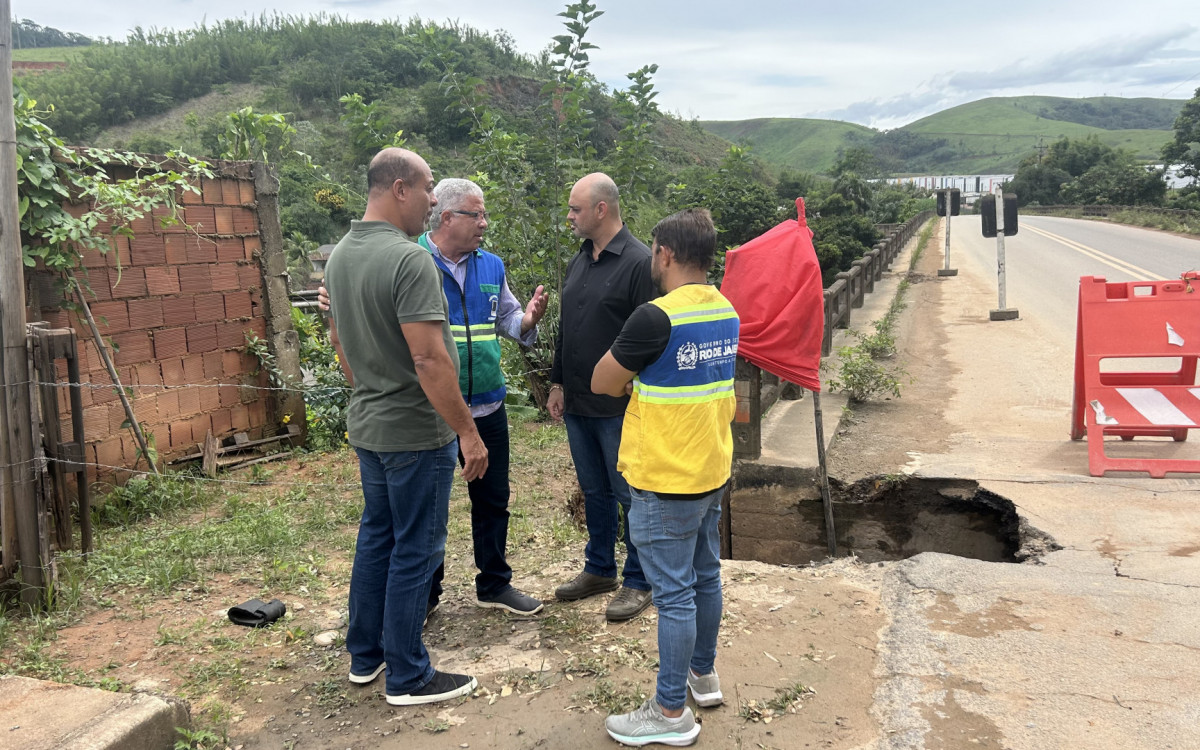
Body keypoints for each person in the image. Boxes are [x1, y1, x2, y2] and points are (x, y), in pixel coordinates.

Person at [320, 178, 550, 616]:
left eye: (484, 215)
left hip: (487, 404)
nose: (484, 223)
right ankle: (424, 596)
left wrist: (527, 321)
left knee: (493, 499)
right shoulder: (408, 262)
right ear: (447, 217)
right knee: (427, 514)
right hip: (433, 410)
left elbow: (507, 317)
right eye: (476, 214)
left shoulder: (491, 265)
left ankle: (494, 584)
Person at [325, 148, 485, 706]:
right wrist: (467, 431)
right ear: (399, 189)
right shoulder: (409, 260)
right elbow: (430, 359)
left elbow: (341, 344)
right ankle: (409, 674)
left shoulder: (341, 256)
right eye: (427, 187)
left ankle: (366, 655)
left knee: (378, 536)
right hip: (415, 432)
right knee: (416, 547)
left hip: (370, 426)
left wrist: (371, 389)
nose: (433, 199)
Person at [591, 208, 738, 746]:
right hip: (710, 468)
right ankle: (703, 675)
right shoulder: (725, 309)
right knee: (706, 576)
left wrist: (631, 379)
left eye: (654, 251)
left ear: (665, 254)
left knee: (674, 595)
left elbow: (602, 381)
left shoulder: (655, 318)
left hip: (664, 476)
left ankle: (670, 711)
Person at [549, 173, 656, 622]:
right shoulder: (580, 259)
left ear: (601, 209)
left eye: (575, 209)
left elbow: (652, 333)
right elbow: (567, 327)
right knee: (594, 490)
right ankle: (599, 568)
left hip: (619, 408)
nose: (569, 217)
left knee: (629, 493)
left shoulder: (639, 263)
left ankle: (640, 579)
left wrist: (636, 385)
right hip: (578, 403)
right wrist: (557, 382)